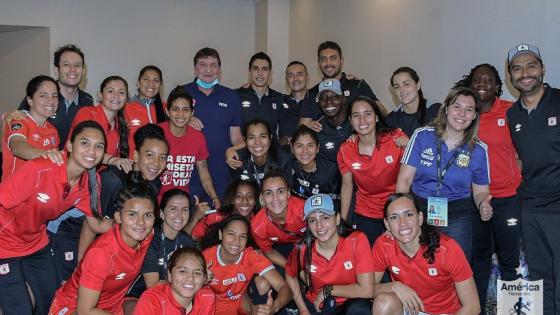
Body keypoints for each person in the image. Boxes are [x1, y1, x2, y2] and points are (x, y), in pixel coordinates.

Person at [0, 120, 106, 315]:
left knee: (52, 303)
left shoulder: (90, 181)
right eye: (85, 143)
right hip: (4, 245)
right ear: (70, 145)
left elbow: (95, 223)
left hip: (35, 243)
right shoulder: (40, 169)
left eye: (99, 146)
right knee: (19, 310)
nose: (92, 150)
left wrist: (129, 222)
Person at [454, 63, 522, 309]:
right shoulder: (464, 115)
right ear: (470, 85)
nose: (482, 85)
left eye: (488, 81)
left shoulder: (510, 111)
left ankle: (514, 310)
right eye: (477, 81)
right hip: (473, 200)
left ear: (497, 86)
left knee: (509, 260)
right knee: (478, 259)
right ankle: (478, 309)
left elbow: (523, 151)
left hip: (507, 198)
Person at [396, 87, 492, 259]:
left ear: (475, 115)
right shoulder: (422, 136)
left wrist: (483, 204)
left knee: (457, 267)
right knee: (419, 264)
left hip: (457, 216)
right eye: (457, 107)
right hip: (420, 212)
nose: (462, 114)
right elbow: (404, 180)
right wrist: (401, 215)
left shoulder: (479, 150)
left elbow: (481, 191)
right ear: (446, 108)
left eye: (469, 110)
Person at [506, 43, 560, 314]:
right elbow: (522, 158)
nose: (524, 73)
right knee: (540, 276)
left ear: (542, 69)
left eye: (531, 65)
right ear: (510, 76)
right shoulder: (512, 114)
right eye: (517, 68)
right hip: (530, 207)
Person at [49, 182, 157, 315]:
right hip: (74, 308)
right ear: (118, 217)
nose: (141, 222)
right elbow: (85, 311)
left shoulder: (147, 235)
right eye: (132, 214)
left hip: (114, 307)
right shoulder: (102, 254)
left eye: (148, 215)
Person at [372, 193, 480, 315]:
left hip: (445, 312)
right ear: (387, 225)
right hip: (409, 310)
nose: (402, 223)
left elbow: (473, 307)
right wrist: (393, 286)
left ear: (420, 218)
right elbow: (367, 289)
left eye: (408, 214)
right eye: (394, 217)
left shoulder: (446, 249)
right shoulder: (384, 245)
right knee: (383, 303)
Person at [77, 123, 168, 262]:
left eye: (162, 157)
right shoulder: (113, 180)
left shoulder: (154, 183)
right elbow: (90, 225)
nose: (156, 163)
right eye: (150, 155)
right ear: (136, 155)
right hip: (79, 238)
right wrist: (81, 263)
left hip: (115, 247)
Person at [285, 194, 374, 315]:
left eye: (325, 218)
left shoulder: (356, 240)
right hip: (317, 305)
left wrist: (329, 290)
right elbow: (290, 275)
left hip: (349, 304)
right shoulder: (302, 249)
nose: (319, 225)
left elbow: (367, 290)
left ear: (337, 219)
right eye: (312, 220)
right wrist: (303, 309)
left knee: (359, 309)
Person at [338, 96, 406, 245]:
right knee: (369, 261)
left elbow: (414, 174)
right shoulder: (345, 149)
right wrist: (343, 221)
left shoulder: (396, 139)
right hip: (366, 212)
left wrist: (409, 147)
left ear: (376, 117)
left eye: (368, 113)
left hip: (396, 210)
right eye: (356, 115)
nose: (362, 120)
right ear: (350, 121)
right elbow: (347, 186)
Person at [182, 47, 244, 200]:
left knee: (220, 220)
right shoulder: (181, 93)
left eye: (213, 65)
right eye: (203, 64)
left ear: (219, 69)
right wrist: (183, 120)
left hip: (221, 174)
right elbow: (169, 131)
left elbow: (237, 138)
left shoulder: (231, 96)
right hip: (188, 175)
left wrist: (239, 152)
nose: (208, 69)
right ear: (195, 69)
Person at [202, 214, 292, 315]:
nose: (237, 241)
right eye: (231, 234)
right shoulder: (205, 258)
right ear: (220, 234)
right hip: (215, 306)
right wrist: (201, 280)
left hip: (243, 303)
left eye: (243, 236)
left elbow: (284, 287)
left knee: (262, 283)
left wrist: (275, 307)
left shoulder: (251, 257)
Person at [125, 189, 196, 310]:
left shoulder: (186, 241)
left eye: (185, 209)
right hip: (139, 297)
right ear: (162, 214)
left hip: (174, 295)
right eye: (173, 209)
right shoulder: (150, 240)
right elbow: (153, 287)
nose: (179, 215)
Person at [16, 44, 94, 148]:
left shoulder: (87, 100)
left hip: (71, 162)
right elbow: (15, 122)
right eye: (66, 64)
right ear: (57, 70)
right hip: (40, 159)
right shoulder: (40, 97)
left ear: (83, 71)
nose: (73, 69)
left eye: (77, 65)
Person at [299, 40, 386, 131]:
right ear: (319, 63)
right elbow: (302, 130)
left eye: (333, 58)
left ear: (341, 61)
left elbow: (383, 114)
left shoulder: (357, 85)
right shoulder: (312, 93)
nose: (328, 63)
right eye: (323, 59)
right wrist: (308, 126)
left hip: (355, 144)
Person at [159, 87, 220, 206]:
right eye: (175, 109)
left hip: (182, 203)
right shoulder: (157, 133)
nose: (180, 114)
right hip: (156, 202)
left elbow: (204, 173)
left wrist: (214, 198)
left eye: (186, 110)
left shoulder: (198, 138)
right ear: (167, 111)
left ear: (192, 113)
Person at [70, 75, 133, 171]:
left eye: (121, 92)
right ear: (100, 95)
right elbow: (84, 150)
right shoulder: (87, 113)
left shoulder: (121, 124)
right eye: (110, 91)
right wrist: (113, 160)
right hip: (78, 172)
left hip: (101, 175)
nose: (116, 96)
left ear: (126, 99)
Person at [2, 75, 60, 179]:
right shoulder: (18, 120)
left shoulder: (53, 130)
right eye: (43, 96)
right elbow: (17, 147)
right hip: (15, 191)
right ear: (30, 100)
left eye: (54, 96)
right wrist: (46, 155)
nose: (51, 101)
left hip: (40, 192)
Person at [251, 169, 306, 269]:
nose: (275, 198)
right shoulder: (257, 226)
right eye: (268, 193)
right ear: (262, 198)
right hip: (279, 248)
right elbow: (270, 252)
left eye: (280, 191)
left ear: (288, 193)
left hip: (305, 243)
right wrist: (290, 268)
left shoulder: (304, 210)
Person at [133, 247, 216, 315]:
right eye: (182, 271)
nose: (190, 278)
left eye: (197, 273)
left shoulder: (206, 298)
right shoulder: (152, 301)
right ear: (169, 275)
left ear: (205, 278)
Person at [187, 179, 259, 240]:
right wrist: (196, 217)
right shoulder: (215, 217)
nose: (245, 201)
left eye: (250, 196)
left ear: (255, 200)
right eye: (239, 196)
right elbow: (186, 238)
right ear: (232, 200)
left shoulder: (260, 222)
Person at [228, 118, 292, 187]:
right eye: (251, 137)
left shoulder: (283, 160)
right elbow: (236, 192)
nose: (257, 142)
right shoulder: (237, 161)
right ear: (245, 140)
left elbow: (287, 191)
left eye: (263, 136)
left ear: (270, 138)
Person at [289, 125, 341, 207]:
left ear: (317, 148)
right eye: (299, 146)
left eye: (310, 145)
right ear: (292, 148)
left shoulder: (331, 171)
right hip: (297, 210)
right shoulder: (287, 163)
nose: (305, 151)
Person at [237, 52, 285, 139]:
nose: (260, 73)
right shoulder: (236, 96)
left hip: (272, 151)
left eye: (265, 69)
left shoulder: (279, 98)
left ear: (270, 73)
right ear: (249, 72)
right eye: (255, 69)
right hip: (244, 150)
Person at [387, 66, 441, 138]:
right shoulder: (391, 119)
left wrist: (411, 144)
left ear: (418, 85)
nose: (401, 90)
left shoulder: (435, 110)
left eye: (406, 84)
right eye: (397, 87)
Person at [125, 65, 168, 155]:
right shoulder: (125, 107)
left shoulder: (167, 108)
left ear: (160, 85)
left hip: (157, 165)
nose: (151, 84)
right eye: (146, 79)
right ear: (138, 83)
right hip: (132, 165)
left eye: (156, 80)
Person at [314, 79, 353, 163]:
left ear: (343, 99)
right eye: (323, 98)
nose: (328, 102)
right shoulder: (316, 130)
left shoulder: (357, 124)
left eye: (335, 97)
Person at [280, 61, 310, 145]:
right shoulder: (279, 100)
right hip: (285, 154)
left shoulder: (317, 101)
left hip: (311, 155)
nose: (295, 79)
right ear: (286, 80)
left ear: (307, 77)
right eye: (291, 76)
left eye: (299, 74)